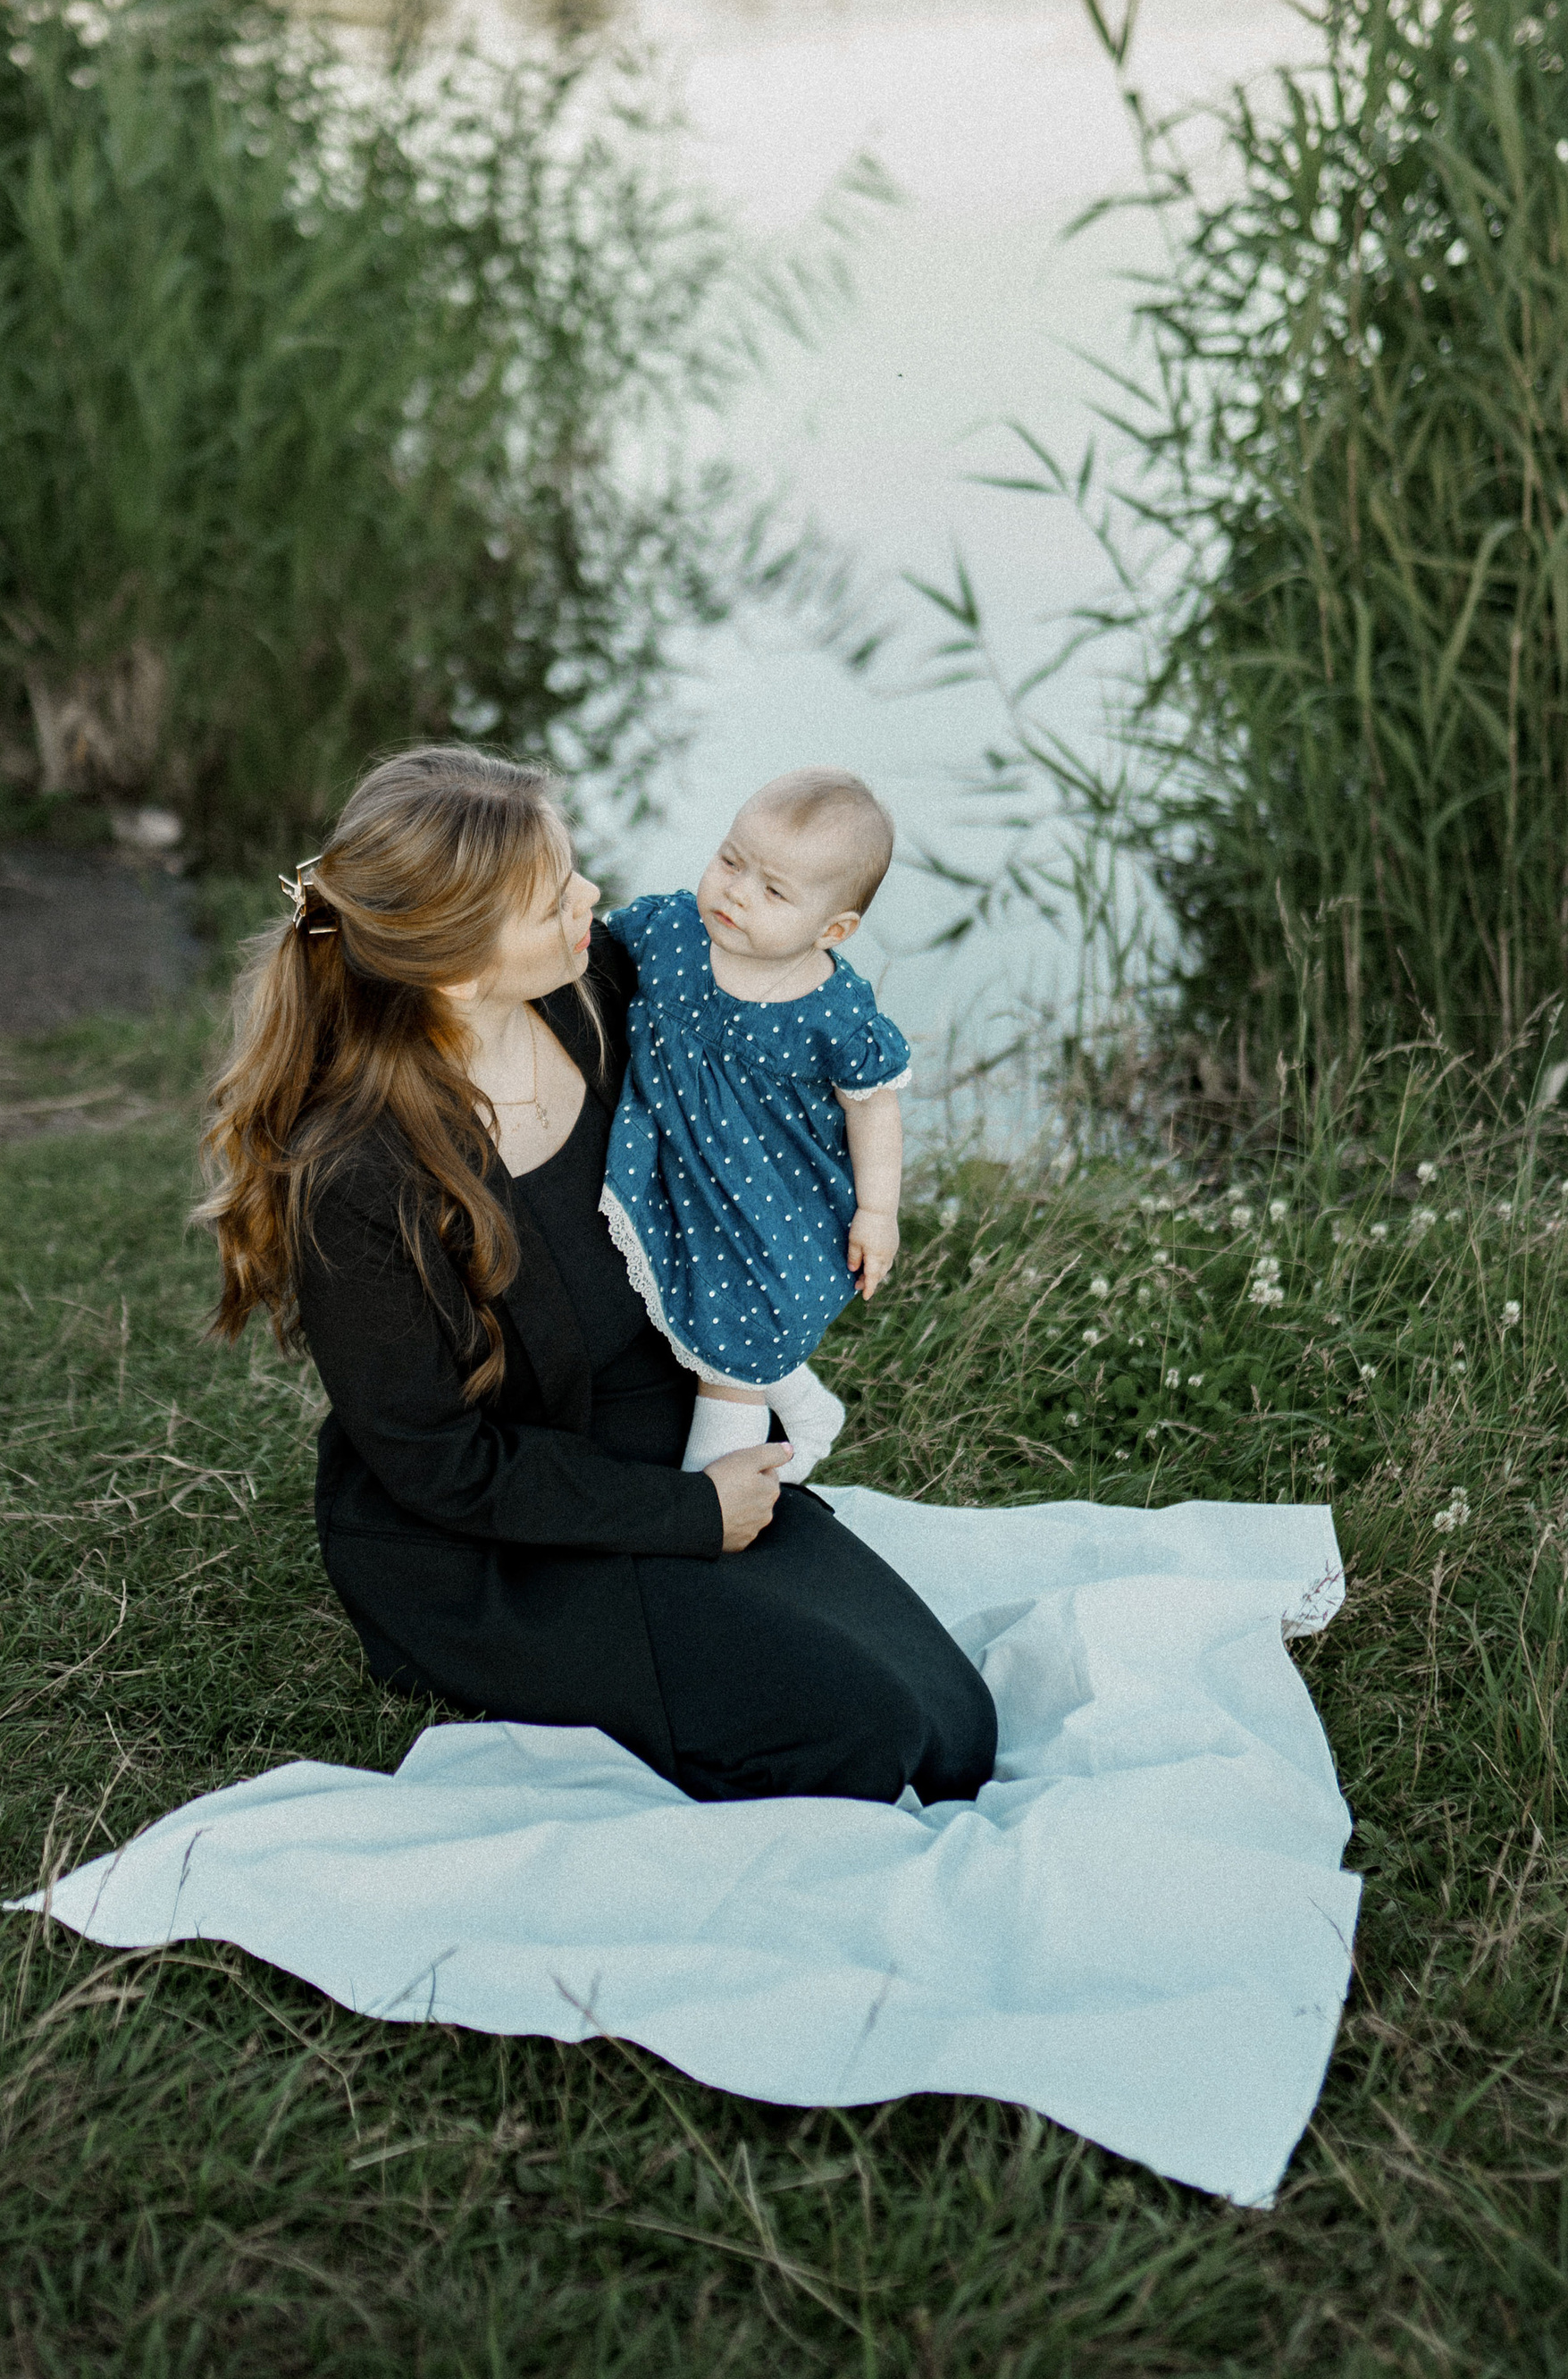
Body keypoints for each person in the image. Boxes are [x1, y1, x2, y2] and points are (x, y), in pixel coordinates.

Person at [197, 744, 996, 1809]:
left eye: (573, 870)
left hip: (652, 1433)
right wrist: (688, 1517)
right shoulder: (358, 1177)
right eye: (552, 899)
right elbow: (437, 1464)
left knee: (953, 1727)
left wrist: (848, 1209)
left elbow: (786, 1023)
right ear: (455, 964)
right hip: (487, 1537)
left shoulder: (601, 988)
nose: (593, 897)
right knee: (863, 1740)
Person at [600, 767, 909, 1490]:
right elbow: (593, 954)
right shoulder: (670, 931)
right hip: (678, 1167)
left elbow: (874, 1106)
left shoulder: (832, 1010)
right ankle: (808, 1410)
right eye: (731, 860)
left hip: (775, 1196)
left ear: (832, 929)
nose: (736, 892)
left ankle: (717, 1500)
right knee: (710, 1311)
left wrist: (878, 1211)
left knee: (735, 1341)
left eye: (773, 891)